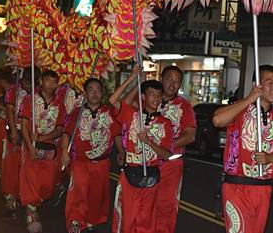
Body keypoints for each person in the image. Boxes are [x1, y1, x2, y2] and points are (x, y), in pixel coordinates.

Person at [212, 65, 273, 233]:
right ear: (257, 85)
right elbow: (217, 120)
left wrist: (272, 158)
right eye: (270, 83)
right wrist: (250, 99)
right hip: (236, 186)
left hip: (264, 189)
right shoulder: (240, 109)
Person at [110, 68, 174, 233]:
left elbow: (167, 154)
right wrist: (134, 80)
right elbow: (113, 100)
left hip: (150, 174)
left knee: (146, 218)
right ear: (143, 97)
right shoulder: (132, 115)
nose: (157, 98)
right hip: (130, 172)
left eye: (159, 95)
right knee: (128, 217)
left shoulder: (165, 123)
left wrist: (149, 142)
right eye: (152, 94)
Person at [61, 78, 121, 233]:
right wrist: (64, 153)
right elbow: (67, 134)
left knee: (96, 194)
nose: (94, 93)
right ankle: (75, 221)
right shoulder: (77, 113)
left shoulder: (109, 112)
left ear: (102, 93)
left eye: (98, 90)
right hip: (80, 162)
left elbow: (116, 134)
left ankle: (90, 220)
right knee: (78, 191)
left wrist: (122, 152)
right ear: (85, 93)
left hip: (101, 163)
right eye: (91, 89)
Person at [19, 69, 65, 233]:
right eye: (47, 81)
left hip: (49, 149)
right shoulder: (30, 100)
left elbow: (60, 129)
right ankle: (31, 213)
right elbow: (24, 127)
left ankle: (36, 203)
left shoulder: (59, 104)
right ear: (41, 82)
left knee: (47, 184)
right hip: (31, 147)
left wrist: (43, 138)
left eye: (54, 82)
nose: (50, 84)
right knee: (30, 181)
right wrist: (31, 147)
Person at [154, 65, 196, 233]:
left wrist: (164, 147)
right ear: (161, 79)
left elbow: (190, 135)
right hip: (146, 162)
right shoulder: (146, 100)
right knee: (144, 204)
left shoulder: (184, 106)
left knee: (166, 205)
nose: (172, 84)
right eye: (169, 79)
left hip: (171, 164)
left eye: (177, 81)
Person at [1, 67, 33, 217]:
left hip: (30, 135)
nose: (28, 85)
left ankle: (26, 196)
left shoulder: (37, 91)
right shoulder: (14, 90)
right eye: (26, 81)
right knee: (12, 166)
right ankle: (10, 198)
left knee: (27, 167)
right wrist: (14, 131)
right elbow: (10, 110)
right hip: (15, 133)